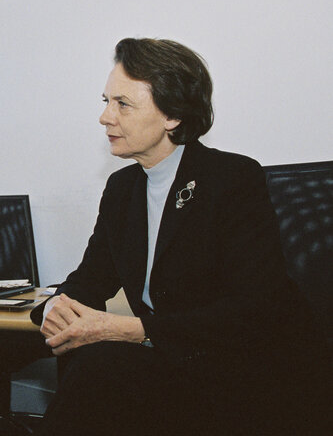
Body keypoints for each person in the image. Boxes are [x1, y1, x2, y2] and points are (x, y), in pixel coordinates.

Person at [31, 38, 330, 435]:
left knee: (97, 366)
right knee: (88, 357)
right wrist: (55, 309)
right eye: (105, 100)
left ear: (172, 115)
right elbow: (90, 278)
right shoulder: (122, 190)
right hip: (174, 362)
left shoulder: (232, 179)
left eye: (122, 104)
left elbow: (253, 309)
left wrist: (130, 330)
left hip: (242, 370)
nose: (105, 117)